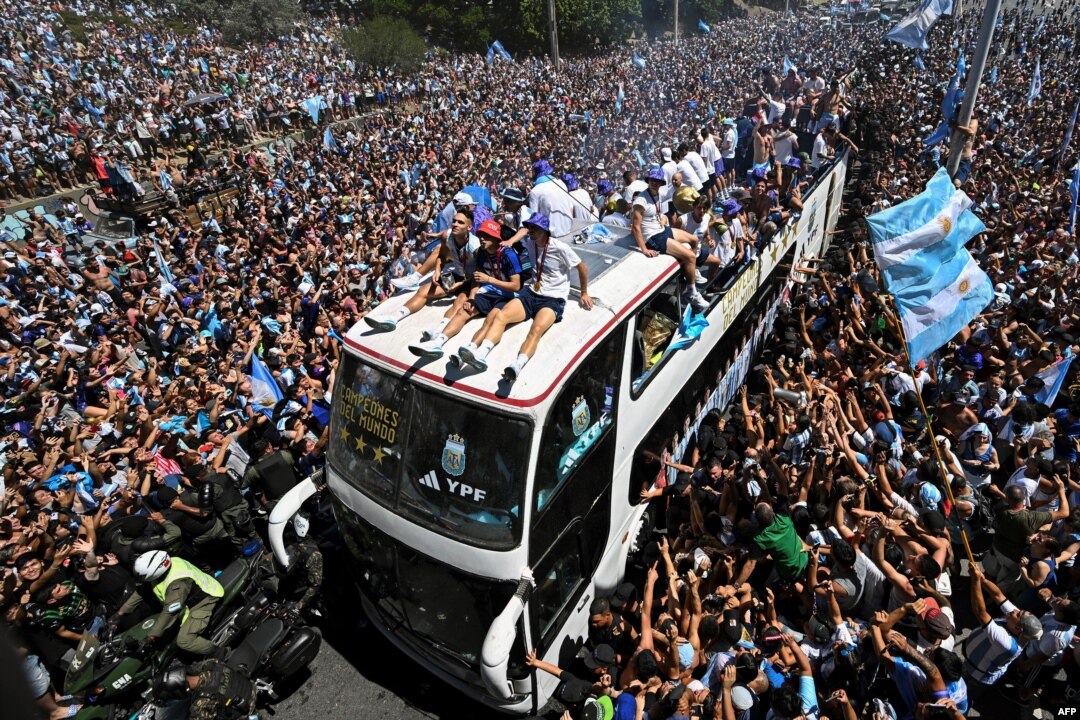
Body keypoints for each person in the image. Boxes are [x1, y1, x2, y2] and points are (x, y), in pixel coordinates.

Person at [454, 212, 591, 381]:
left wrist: (584, 292)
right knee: (501, 315)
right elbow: (521, 232)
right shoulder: (530, 243)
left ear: (545, 229)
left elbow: (582, 268)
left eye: (535, 228)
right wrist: (510, 241)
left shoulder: (560, 247)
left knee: (536, 329)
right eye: (530, 227)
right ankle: (481, 354)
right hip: (531, 292)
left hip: (553, 298)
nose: (531, 230)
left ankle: (517, 365)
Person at [408, 218, 522, 359]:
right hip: (489, 291)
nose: (481, 239)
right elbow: (476, 278)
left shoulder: (508, 255)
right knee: (463, 310)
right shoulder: (481, 252)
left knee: (491, 319)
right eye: (480, 235)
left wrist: (489, 280)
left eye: (486, 236)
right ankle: (437, 343)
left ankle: (473, 351)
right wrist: (472, 298)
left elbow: (516, 286)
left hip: (507, 296)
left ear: (495, 238)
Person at [364, 210, 479, 332]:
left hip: (473, 282)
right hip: (458, 275)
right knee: (423, 290)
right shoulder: (448, 236)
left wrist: (461, 285)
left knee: (460, 302)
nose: (455, 224)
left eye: (460, 223)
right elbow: (442, 255)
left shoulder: (475, 246)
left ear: (469, 227)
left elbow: (482, 274)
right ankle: (394, 318)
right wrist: (437, 270)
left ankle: (438, 333)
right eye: (454, 221)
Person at [114, 550, 224, 656]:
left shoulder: (177, 584)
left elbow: (170, 612)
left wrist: (150, 637)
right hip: (188, 598)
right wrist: (119, 614)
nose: (142, 579)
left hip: (203, 601)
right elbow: (142, 591)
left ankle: (220, 653)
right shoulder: (167, 564)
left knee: (185, 641)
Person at [630, 167, 710, 312]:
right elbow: (635, 227)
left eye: (657, 181)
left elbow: (674, 188)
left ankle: (692, 270)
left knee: (693, 240)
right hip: (653, 237)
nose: (654, 183)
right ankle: (691, 291)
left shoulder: (658, 193)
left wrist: (678, 179)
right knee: (690, 255)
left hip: (662, 230)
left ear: (660, 183)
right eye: (652, 180)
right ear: (648, 181)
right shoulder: (641, 200)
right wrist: (644, 249)